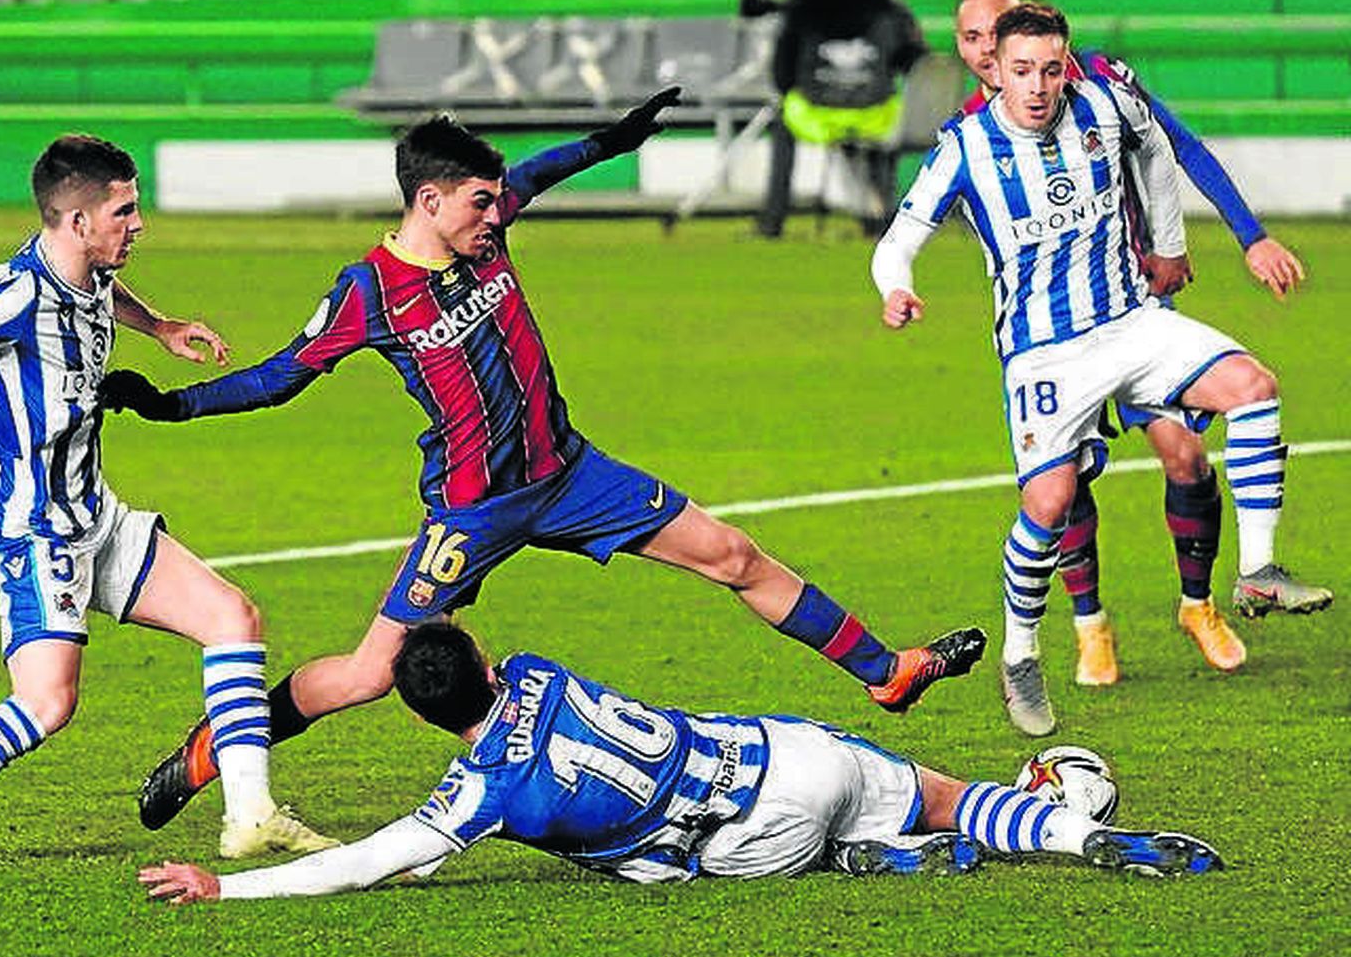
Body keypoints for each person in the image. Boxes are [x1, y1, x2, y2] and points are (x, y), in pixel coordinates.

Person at [102, 95, 986, 834]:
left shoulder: (484, 229)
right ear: (431, 201)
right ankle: (215, 746)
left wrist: (614, 141)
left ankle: (887, 671)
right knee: (372, 674)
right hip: (471, 512)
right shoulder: (369, 291)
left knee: (734, 556)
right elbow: (276, 378)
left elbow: (540, 172)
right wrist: (166, 404)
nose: (500, 215)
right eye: (482, 203)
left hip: (570, 476)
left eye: (497, 203)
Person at [0, 134, 335, 877]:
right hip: (31, 529)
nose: (139, 224)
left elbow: (103, 296)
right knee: (47, 704)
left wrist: (159, 326)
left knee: (231, 618)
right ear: (78, 222)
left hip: (96, 515)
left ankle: (250, 816)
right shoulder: (11, 296)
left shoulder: (88, 272)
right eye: (124, 211)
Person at [870, 3, 1332, 737]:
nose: (1039, 86)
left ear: (1066, 63)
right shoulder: (965, 146)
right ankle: (1021, 654)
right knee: (1049, 504)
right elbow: (897, 241)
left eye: (1051, 69)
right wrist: (896, 286)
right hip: (1045, 351)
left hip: (1131, 321)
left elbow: (1158, 147)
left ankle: (1257, 572)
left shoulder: (1104, 100)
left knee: (1254, 387)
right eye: (1023, 70)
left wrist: (1173, 241)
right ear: (996, 67)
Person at [137, 621, 1223, 905]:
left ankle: (858, 862)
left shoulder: (481, 791)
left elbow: (364, 862)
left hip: (737, 854)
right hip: (788, 759)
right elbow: (459, 643)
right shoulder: (541, 673)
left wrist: (224, 883)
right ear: (483, 661)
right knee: (956, 795)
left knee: (641, 857)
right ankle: (1082, 834)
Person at [742, 0, 927, 238]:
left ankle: (773, 219)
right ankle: (880, 218)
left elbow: (783, 72)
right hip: (875, 115)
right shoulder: (888, 6)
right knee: (881, 138)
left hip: (817, 116)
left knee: (783, 121)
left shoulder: (805, 3)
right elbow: (913, 58)